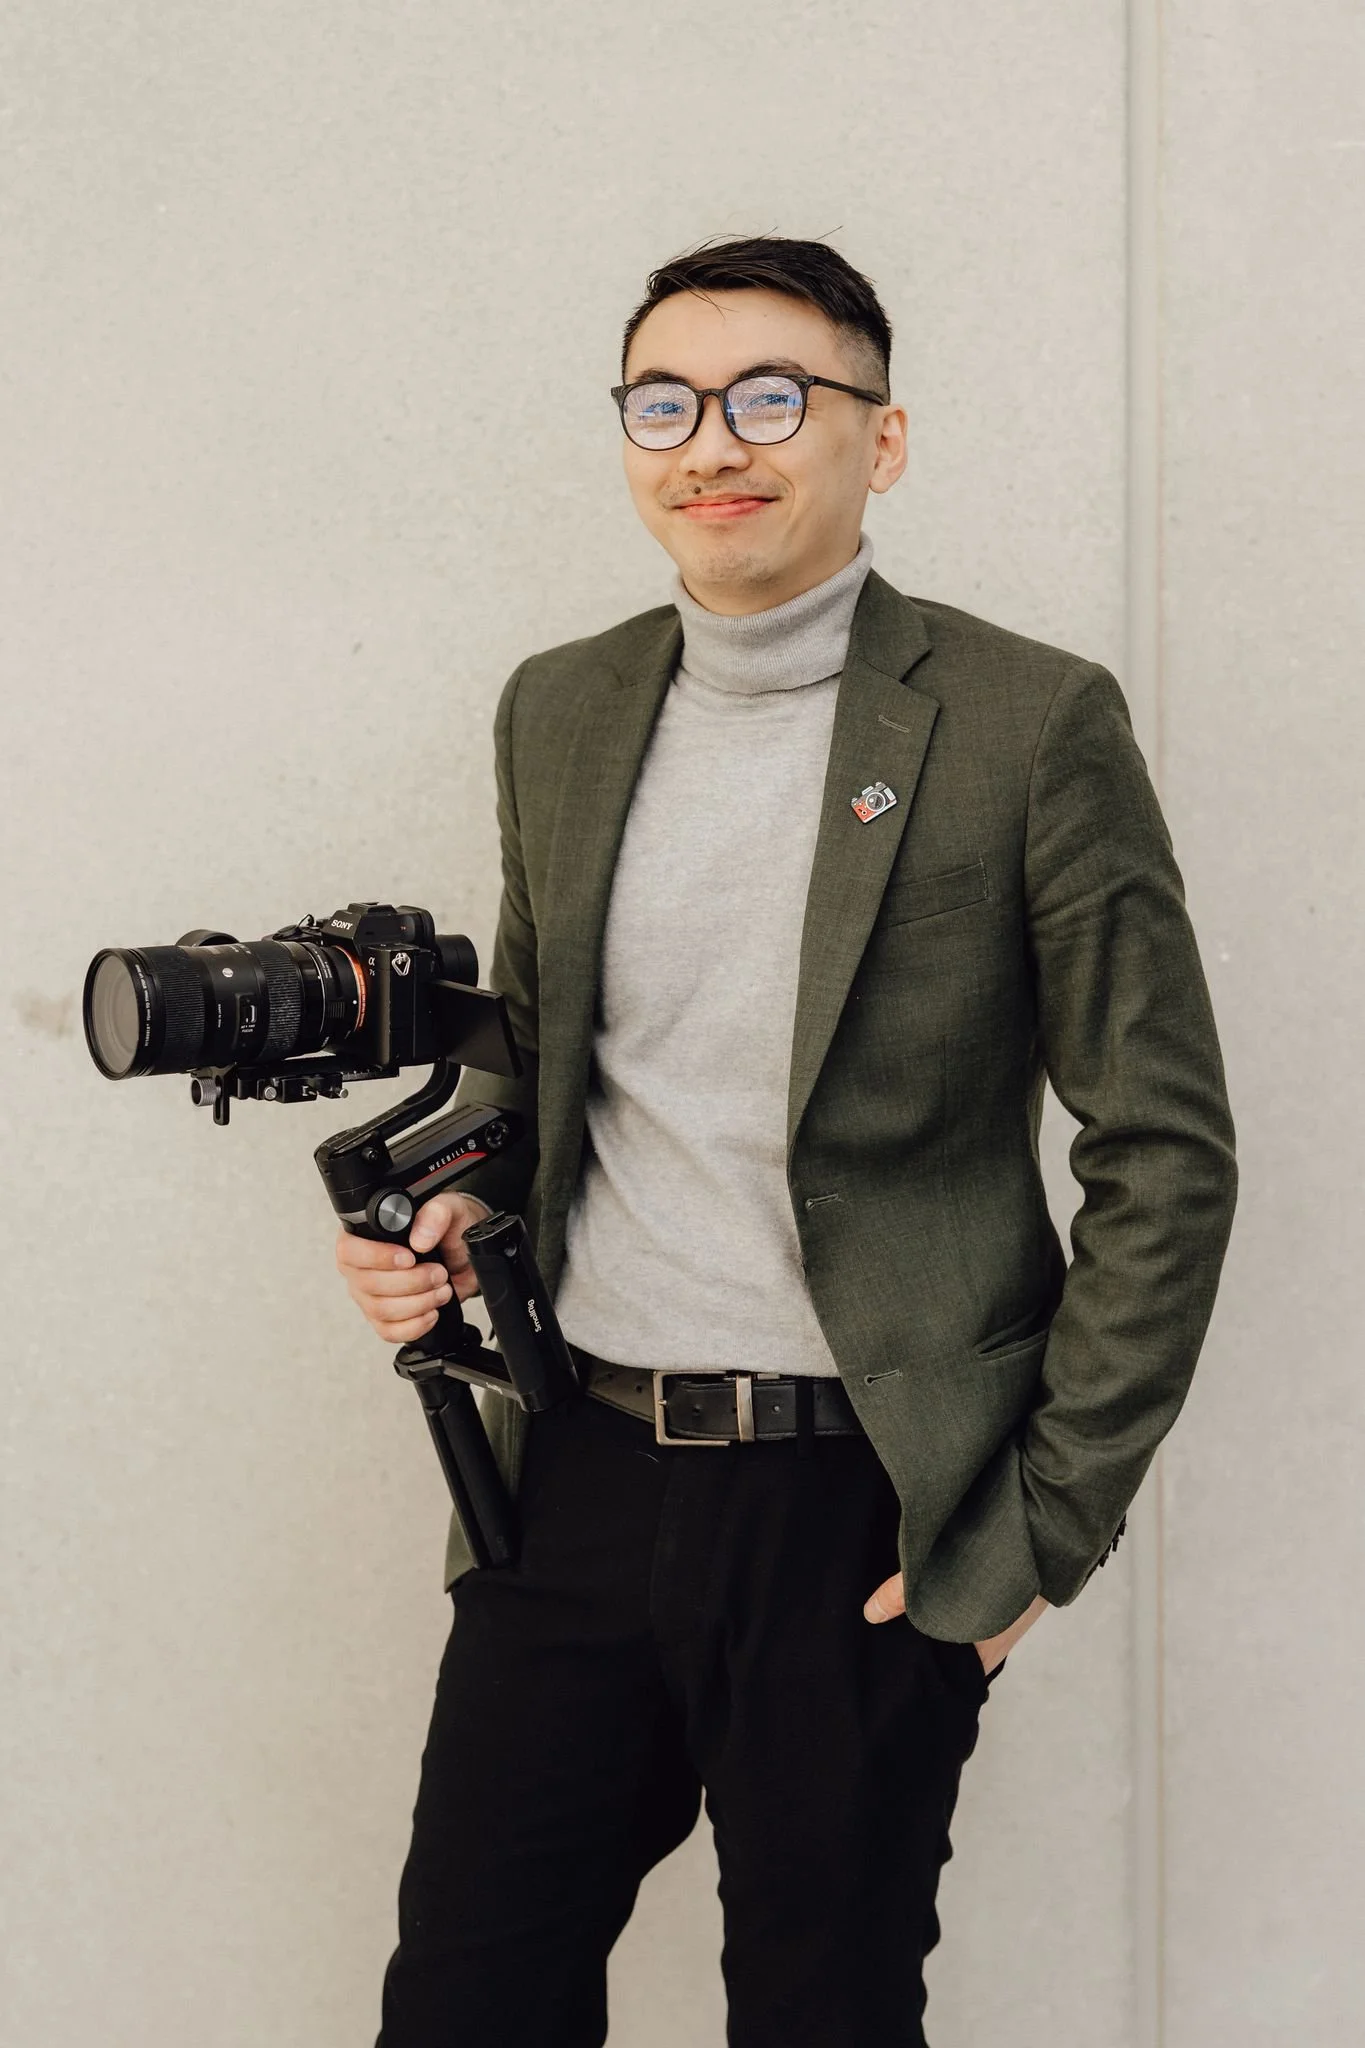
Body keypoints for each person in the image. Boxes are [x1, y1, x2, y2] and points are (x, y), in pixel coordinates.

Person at [337, 236, 1237, 2047]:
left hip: (858, 1507)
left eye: (774, 398)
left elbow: (1163, 1148)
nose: (713, 445)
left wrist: (1036, 1533)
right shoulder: (563, 706)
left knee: (824, 2019)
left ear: (877, 441)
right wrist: (441, 1214)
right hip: (572, 1482)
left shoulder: (1026, 722)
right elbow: (538, 1063)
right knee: (463, 2003)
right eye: (662, 403)